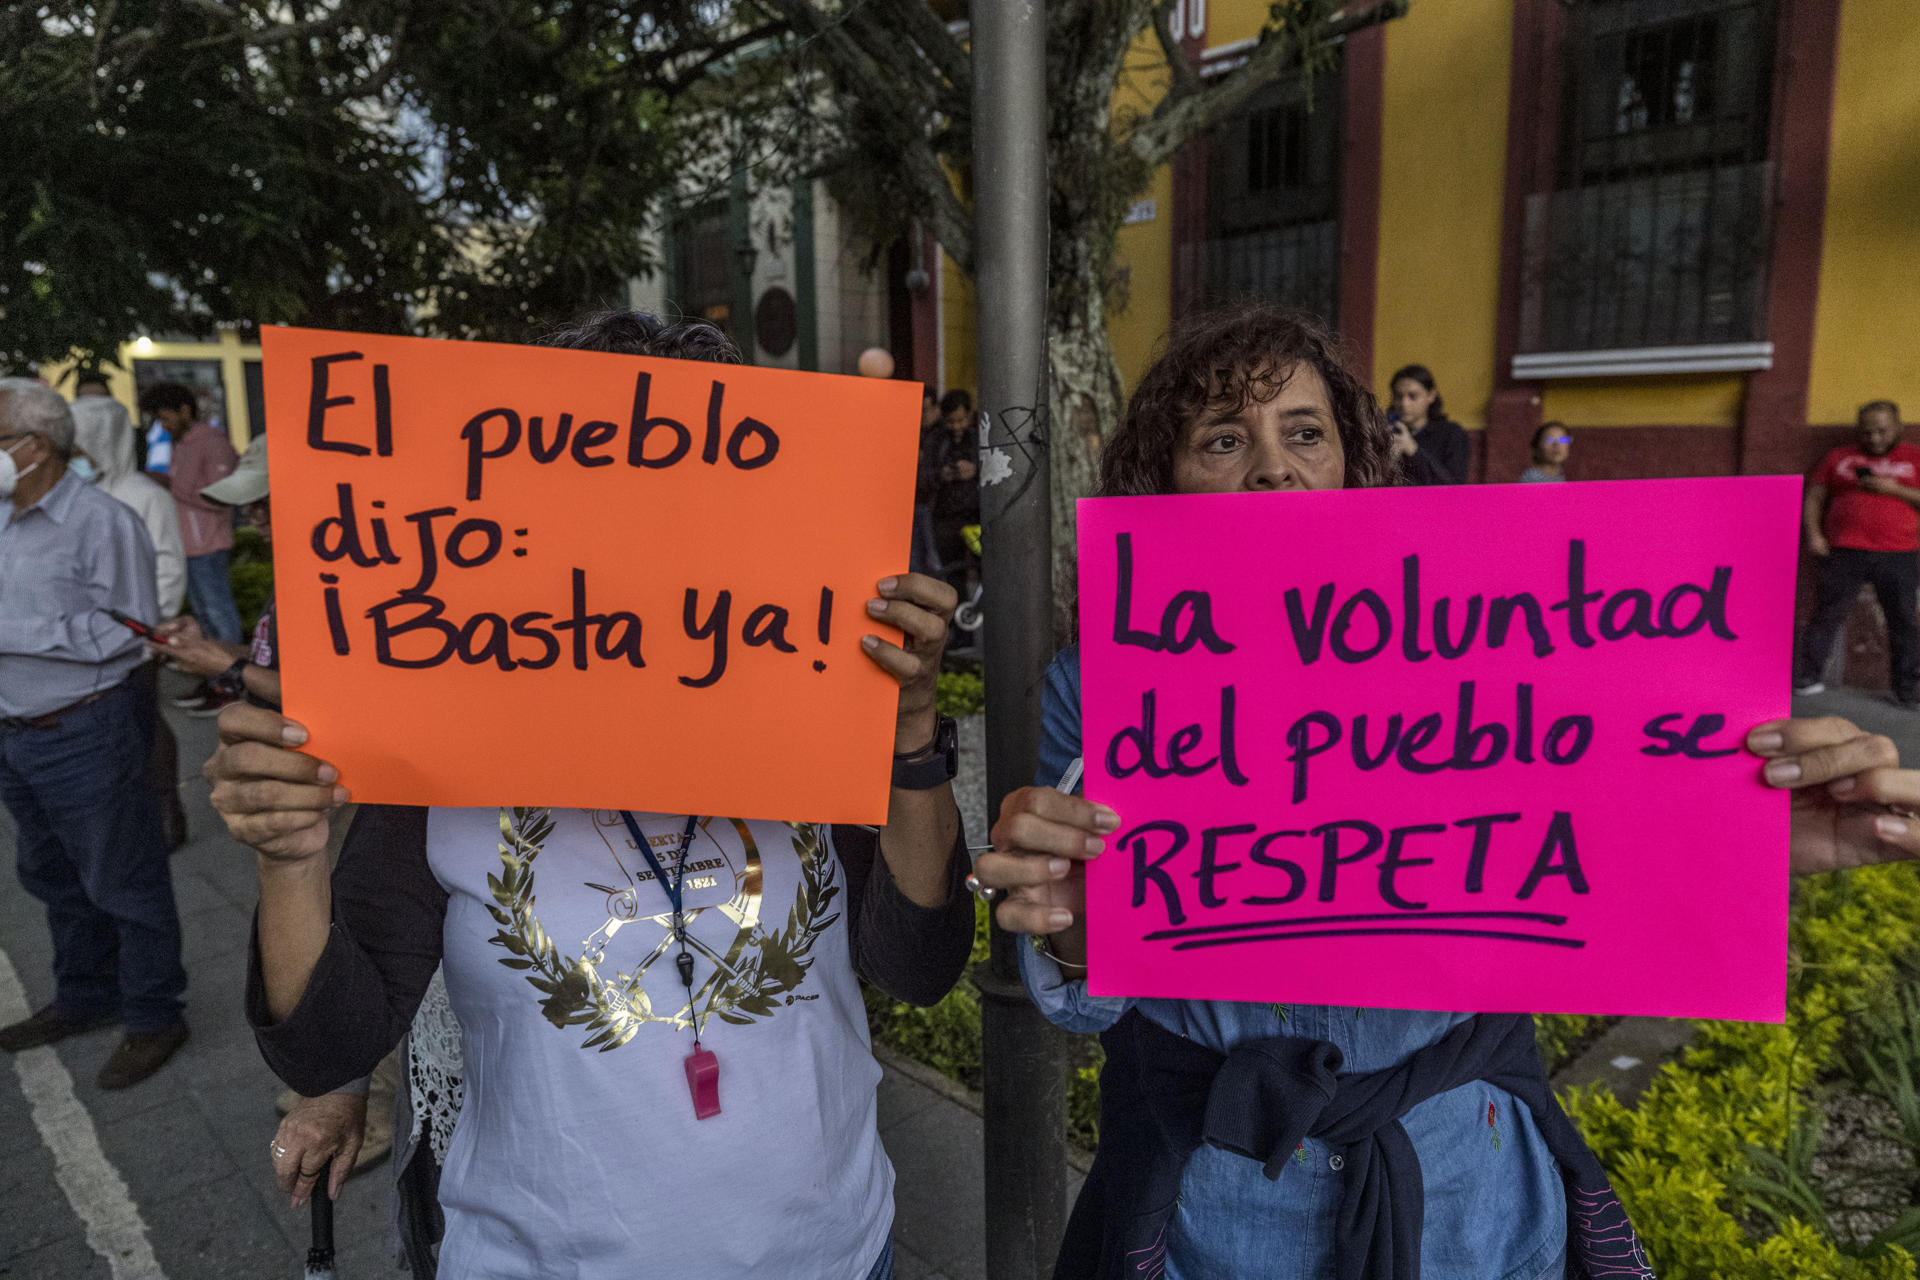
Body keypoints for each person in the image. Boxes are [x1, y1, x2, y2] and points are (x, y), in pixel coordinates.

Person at [966, 305, 1920, 1280]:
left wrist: (1751, 825)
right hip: (1225, 1198)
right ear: (1161, 481)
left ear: (1352, 463)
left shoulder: (1480, 651)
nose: (1273, 466)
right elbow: (1087, 984)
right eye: (1222, 438)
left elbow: (1595, 827)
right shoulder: (1098, 687)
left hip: (1468, 1174)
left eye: (1304, 432)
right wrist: (1073, 917)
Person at [206, 310, 974, 1280]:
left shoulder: (806, 701)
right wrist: (291, 859)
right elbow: (326, 1042)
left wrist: (907, 734)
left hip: (832, 1247)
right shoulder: (446, 743)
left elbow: (919, 963)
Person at [0, 379, 190, 1088]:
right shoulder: (2, 518)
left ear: (35, 446)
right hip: (17, 733)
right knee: (48, 873)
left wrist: (15, 634)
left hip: (85, 726)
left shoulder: (101, 521)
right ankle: (85, 995)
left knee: (123, 876)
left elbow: (130, 629)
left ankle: (153, 1014)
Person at [70, 395, 191, 847]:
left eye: (83, 448)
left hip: (136, 637)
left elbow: (169, 567)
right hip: (90, 637)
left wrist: (150, 627)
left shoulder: (147, 497)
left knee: (147, 723)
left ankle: (166, 811)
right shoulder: (83, 495)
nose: (77, 459)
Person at [1793, 401, 1920, 704]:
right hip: (1845, 550)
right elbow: (1815, 497)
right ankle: (1807, 676)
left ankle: (1906, 689)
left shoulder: (1915, 458)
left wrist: (1894, 489)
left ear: (1898, 427)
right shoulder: (1839, 458)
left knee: (1902, 620)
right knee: (1826, 614)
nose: (1874, 438)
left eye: (1882, 431)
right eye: (1867, 432)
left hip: (1898, 552)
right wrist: (1814, 534)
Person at [139, 382, 243, 694]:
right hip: (189, 545)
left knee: (218, 615)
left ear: (185, 410)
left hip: (208, 545)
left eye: (165, 417)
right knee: (204, 618)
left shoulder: (212, 441)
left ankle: (231, 684)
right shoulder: (181, 442)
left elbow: (223, 494)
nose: (162, 425)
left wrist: (168, 484)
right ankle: (215, 681)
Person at [928, 388, 980, 586]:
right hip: (946, 518)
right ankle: (956, 614)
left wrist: (975, 470)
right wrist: (942, 475)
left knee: (985, 569)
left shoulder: (980, 437)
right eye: (951, 421)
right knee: (952, 575)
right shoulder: (937, 440)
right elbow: (923, 475)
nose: (957, 426)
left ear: (969, 415)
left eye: (961, 420)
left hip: (976, 515)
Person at [1387, 363, 1469, 485]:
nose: (1404, 404)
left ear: (1431, 395)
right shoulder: (1386, 431)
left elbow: (1454, 485)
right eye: (1398, 396)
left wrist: (1413, 449)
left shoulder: (1452, 434)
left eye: (1413, 396)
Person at [910, 384, 944, 577]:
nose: (923, 416)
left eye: (925, 410)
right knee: (915, 558)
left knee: (934, 556)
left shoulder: (942, 435)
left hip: (934, 502)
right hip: (916, 500)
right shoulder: (916, 433)